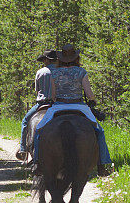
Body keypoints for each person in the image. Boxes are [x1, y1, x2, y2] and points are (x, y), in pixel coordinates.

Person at [34, 44, 113, 176]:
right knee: (99, 132)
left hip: (58, 106)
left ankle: (38, 162)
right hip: (79, 106)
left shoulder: (54, 72)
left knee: (39, 131)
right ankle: (102, 164)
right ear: (76, 58)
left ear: (60, 58)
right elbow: (89, 94)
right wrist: (93, 100)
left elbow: (53, 95)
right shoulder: (81, 72)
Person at [16, 48, 58, 161]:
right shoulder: (60, 71)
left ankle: (23, 150)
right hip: (57, 104)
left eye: (44, 60)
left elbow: (37, 90)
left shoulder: (40, 72)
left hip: (42, 103)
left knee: (25, 122)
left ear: (47, 60)